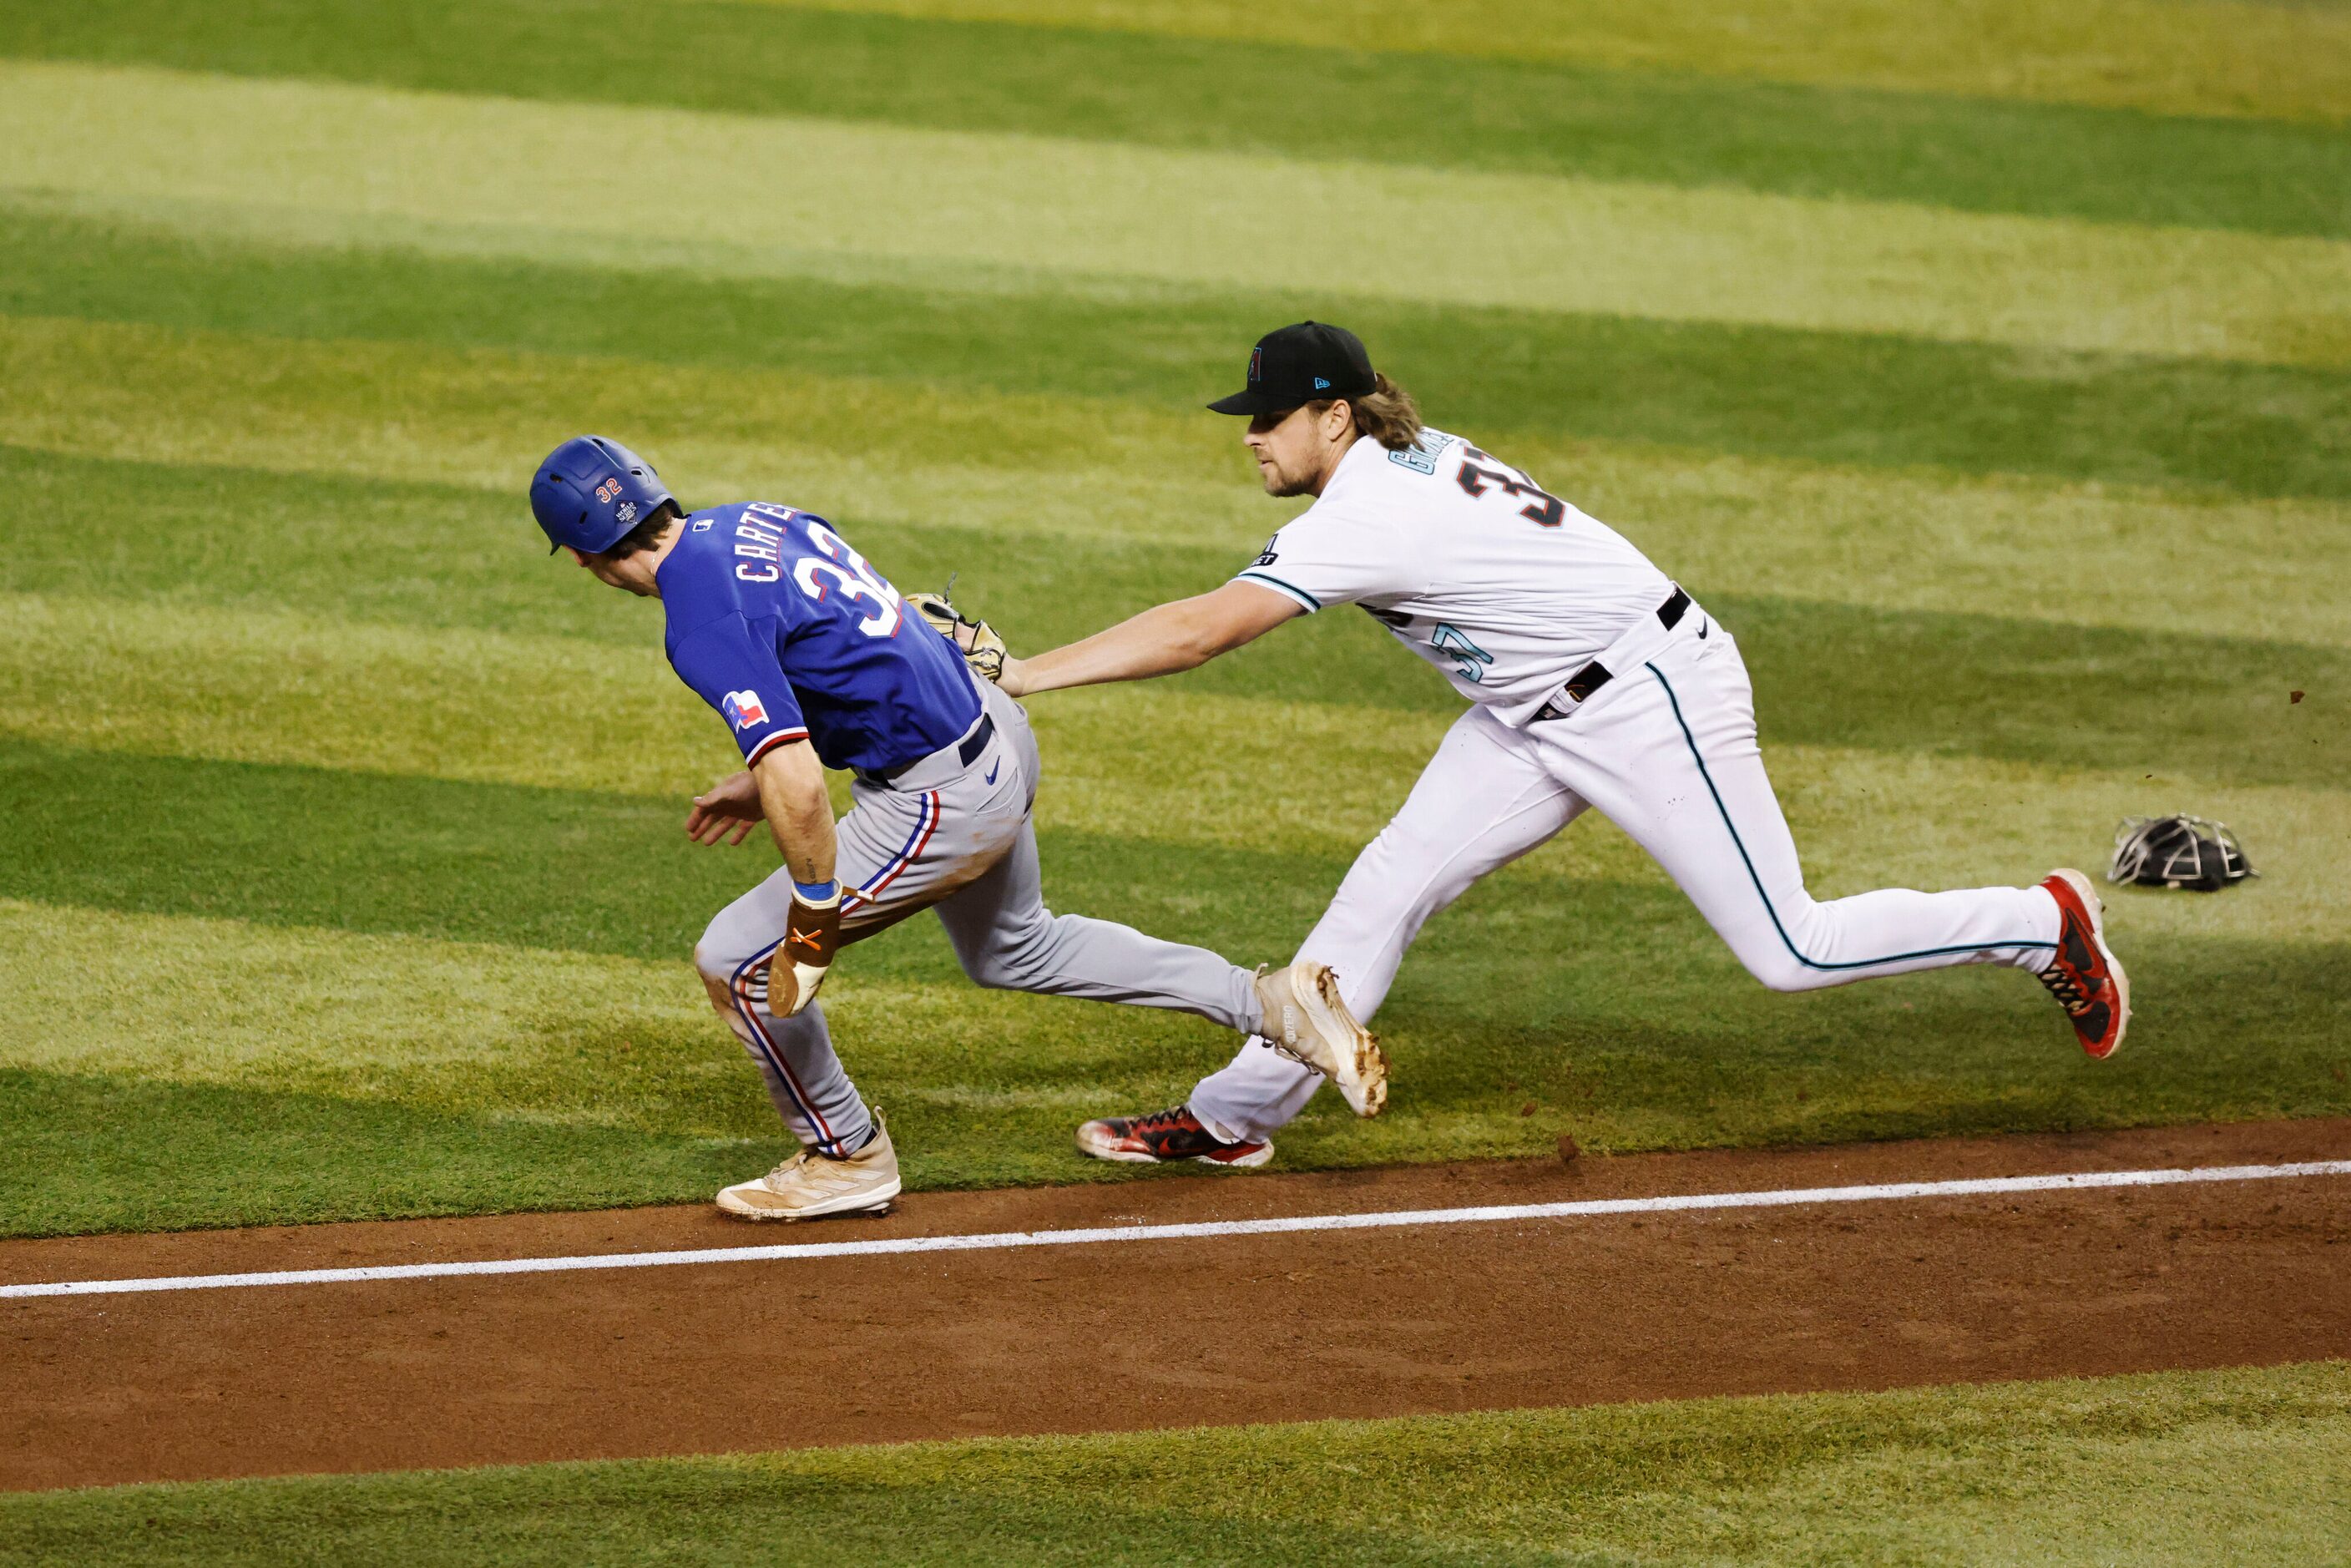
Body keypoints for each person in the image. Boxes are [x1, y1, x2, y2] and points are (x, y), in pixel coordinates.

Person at [977, 322, 2130, 1168]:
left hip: (1650, 694)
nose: (1252, 438)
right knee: (1389, 883)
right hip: (1535, 712)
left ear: (1333, 415)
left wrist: (1029, 670)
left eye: (1267, 417)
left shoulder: (1372, 507)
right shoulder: (1405, 454)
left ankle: (2042, 924)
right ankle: (1233, 1119)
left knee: (1792, 946)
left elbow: (1201, 633)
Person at [528, 434, 1383, 1216]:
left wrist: (814, 913)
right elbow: (851, 650)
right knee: (1017, 948)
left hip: (938, 799)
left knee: (739, 961)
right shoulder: (755, 521)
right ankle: (1269, 1004)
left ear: (581, 556)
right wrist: (765, 781)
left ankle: (845, 1155)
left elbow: (798, 785)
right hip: (991, 731)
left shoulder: (700, 619)